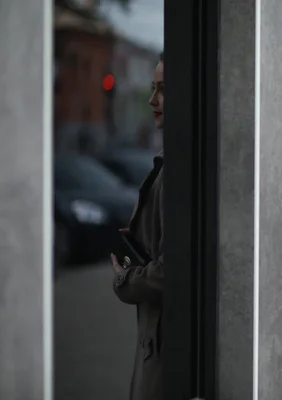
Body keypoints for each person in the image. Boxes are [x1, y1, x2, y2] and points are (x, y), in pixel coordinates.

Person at [110, 52, 165, 400]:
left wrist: (125, 279)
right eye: (151, 87)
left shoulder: (180, 169)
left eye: (162, 90)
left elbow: (173, 269)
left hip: (164, 350)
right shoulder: (174, 162)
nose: (151, 99)